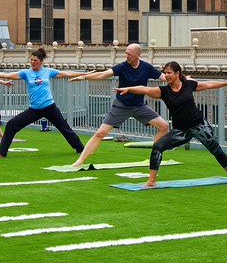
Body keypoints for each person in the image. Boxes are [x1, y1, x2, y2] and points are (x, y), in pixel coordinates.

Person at [117, 62, 227, 188]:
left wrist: (226, 83)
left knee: (215, 150)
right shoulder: (164, 91)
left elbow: (207, 84)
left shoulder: (189, 85)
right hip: (181, 130)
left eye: (169, 73)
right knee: (157, 147)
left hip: (199, 125)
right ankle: (152, 180)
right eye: (165, 73)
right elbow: (146, 90)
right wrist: (129, 89)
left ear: (177, 74)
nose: (166, 75)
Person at [62, 41, 170, 169]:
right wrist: (84, 77)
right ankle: (79, 161)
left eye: (129, 54)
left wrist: (185, 80)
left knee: (163, 126)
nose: (126, 56)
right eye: (126, 53)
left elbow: (165, 77)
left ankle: (153, 158)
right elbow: (103, 74)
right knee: (100, 133)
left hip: (139, 107)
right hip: (121, 106)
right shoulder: (122, 67)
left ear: (137, 55)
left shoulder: (146, 67)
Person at [0, 47, 87, 159]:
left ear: (41, 61)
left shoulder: (48, 71)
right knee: (11, 124)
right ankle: (1, 153)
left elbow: (67, 74)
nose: (32, 62)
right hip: (34, 110)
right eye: (31, 60)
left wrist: (84, 75)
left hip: (50, 107)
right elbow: (7, 75)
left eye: (35, 60)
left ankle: (81, 149)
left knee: (65, 128)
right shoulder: (26, 73)